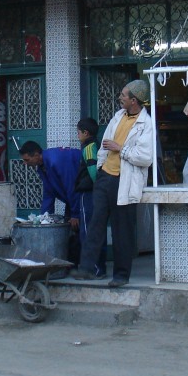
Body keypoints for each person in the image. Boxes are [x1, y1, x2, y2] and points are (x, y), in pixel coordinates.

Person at [71, 79, 154, 288]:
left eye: (124, 95)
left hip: (124, 181)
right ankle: (87, 267)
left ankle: (121, 276)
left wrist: (120, 149)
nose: (120, 97)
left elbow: (145, 157)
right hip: (105, 177)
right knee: (96, 223)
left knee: (121, 230)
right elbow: (103, 147)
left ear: (134, 100)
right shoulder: (117, 117)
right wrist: (100, 168)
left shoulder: (147, 124)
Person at [18, 139, 83, 230]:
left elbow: (71, 186)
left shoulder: (55, 160)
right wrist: (44, 218)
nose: (25, 163)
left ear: (36, 155)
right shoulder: (42, 167)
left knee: (82, 228)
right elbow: (48, 193)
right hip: (74, 198)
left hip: (84, 194)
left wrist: (75, 214)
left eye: (27, 160)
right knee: (70, 228)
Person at [73, 117, 105, 277]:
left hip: (90, 193)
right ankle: (97, 268)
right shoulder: (96, 145)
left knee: (88, 231)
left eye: (78, 132)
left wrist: (98, 189)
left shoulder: (88, 148)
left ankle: (93, 269)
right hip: (97, 193)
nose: (77, 135)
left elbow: (93, 172)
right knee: (97, 230)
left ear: (86, 133)